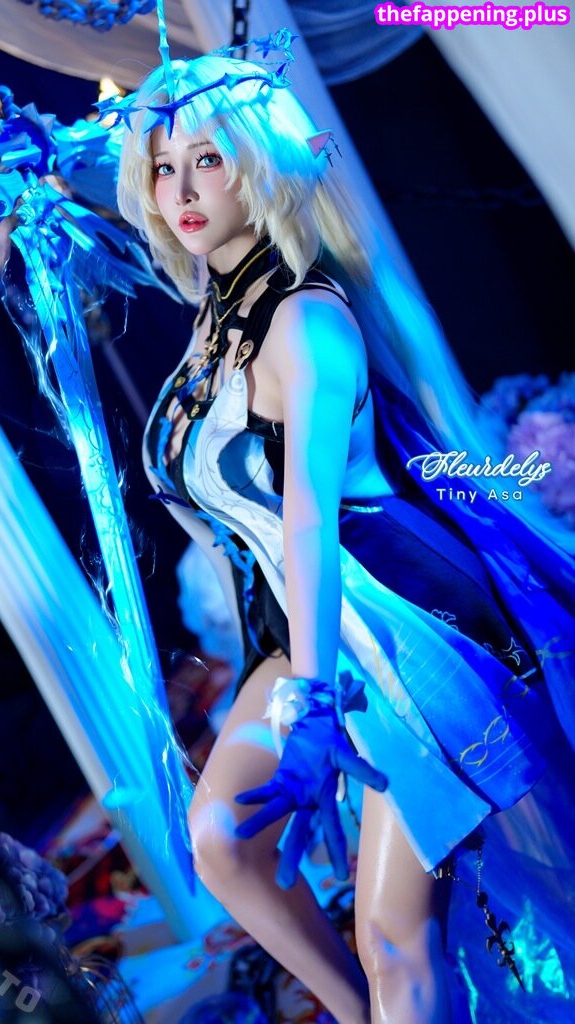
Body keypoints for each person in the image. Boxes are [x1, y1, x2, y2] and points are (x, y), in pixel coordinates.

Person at [114, 51, 575, 1024]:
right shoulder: (213, 319)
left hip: (400, 630)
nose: (181, 190)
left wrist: (315, 706)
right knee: (220, 839)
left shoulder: (304, 322)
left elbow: (308, 518)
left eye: (207, 161)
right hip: (303, 627)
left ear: (260, 164)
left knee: (392, 941)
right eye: (163, 167)